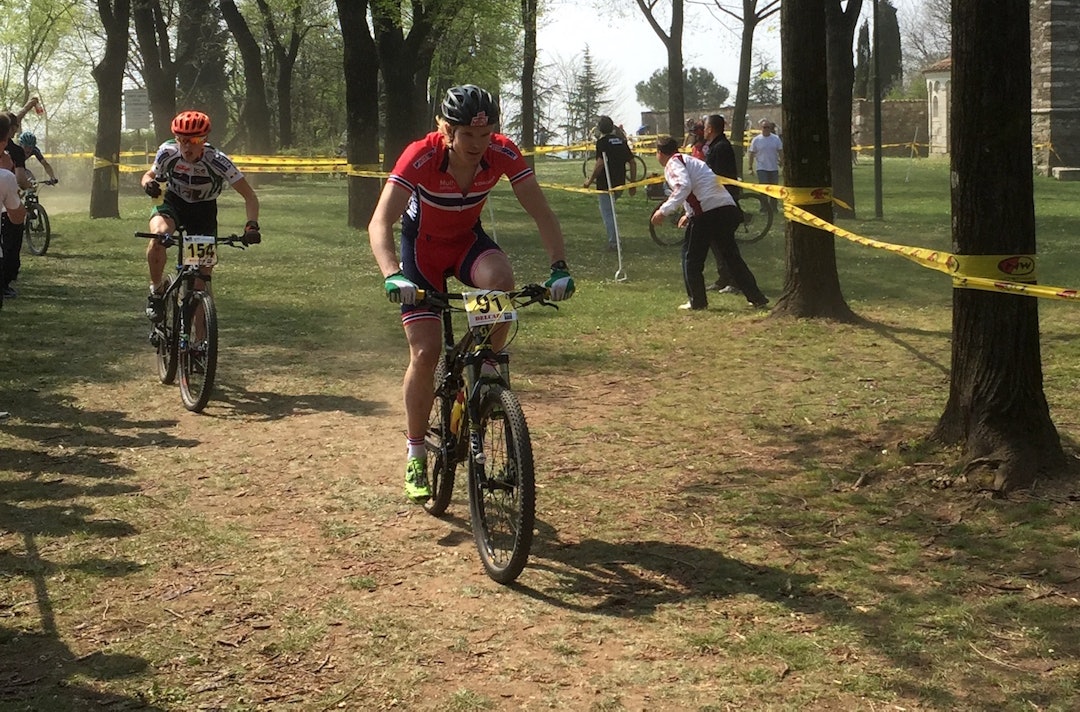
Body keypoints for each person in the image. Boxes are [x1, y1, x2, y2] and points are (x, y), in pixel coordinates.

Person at [368, 84, 574, 504]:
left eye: (486, 135)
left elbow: (542, 212)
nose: (479, 146)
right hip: (420, 250)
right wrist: (393, 275)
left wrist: (559, 266)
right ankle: (415, 452)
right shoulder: (421, 155)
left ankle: (487, 375)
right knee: (424, 353)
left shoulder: (502, 152)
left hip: (466, 243)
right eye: (468, 137)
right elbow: (379, 223)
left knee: (501, 280)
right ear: (445, 130)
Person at [140, 110, 261, 323]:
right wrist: (147, 184)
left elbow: (250, 196)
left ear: (204, 140)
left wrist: (251, 226)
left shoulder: (219, 161)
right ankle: (156, 291)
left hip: (203, 212)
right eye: (182, 140)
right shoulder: (167, 152)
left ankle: (199, 345)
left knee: (200, 283)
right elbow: (149, 175)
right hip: (172, 203)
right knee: (158, 237)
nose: (187, 146)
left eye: (194, 140)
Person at [650, 135, 768, 311]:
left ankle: (697, 301)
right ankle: (757, 298)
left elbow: (683, 186)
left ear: (660, 153)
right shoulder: (690, 160)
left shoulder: (673, 163)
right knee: (731, 257)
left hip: (707, 214)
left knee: (690, 258)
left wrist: (664, 210)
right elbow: (701, 188)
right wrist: (689, 214)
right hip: (726, 209)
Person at [583, 115, 637, 251]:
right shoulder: (621, 141)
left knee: (607, 213)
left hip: (605, 183)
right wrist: (633, 183)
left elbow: (600, 163)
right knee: (610, 210)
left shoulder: (602, 143)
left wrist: (589, 181)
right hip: (620, 182)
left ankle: (614, 243)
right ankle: (615, 239)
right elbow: (632, 162)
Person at [703, 114, 741, 295]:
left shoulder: (721, 148)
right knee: (715, 242)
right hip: (715, 201)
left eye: (705, 127)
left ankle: (735, 281)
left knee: (726, 244)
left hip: (722, 201)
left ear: (710, 129)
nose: (703, 130)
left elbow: (719, 175)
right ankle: (723, 278)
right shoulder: (715, 147)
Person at [1, 111, 30, 299]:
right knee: (11, 244)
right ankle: (5, 283)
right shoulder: (16, 151)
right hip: (8, 204)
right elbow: (20, 179)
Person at [748, 119, 782, 212]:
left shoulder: (776, 138)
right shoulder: (756, 140)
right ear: (761, 128)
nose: (766, 129)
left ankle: (774, 208)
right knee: (764, 189)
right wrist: (750, 167)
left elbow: (780, 151)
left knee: (774, 189)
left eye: (768, 127)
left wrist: (782, 162)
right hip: (761, 168)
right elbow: (751, 154)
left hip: (773, 168)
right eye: (764, 127)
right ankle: (764, 208)